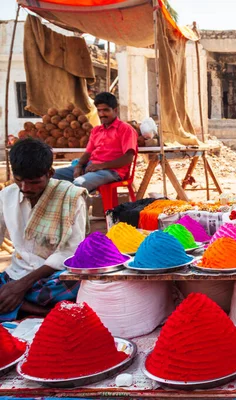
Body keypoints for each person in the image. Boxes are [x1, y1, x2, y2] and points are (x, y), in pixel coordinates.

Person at [0, 139, 87, 321]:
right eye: (19, 180)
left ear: (50, 173)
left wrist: (21, 287)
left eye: (33, 182)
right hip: (16, 272)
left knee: (84, 284)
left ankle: (21, 306)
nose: (25, 188)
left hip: (54, 276)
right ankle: (43, 311)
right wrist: (16, 284)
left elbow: (70, 252)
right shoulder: (5, 196)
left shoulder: (70, 197)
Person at [53, 92, 138, 192]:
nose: (102, 114)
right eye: (99, 110)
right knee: (51, 176)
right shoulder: (96, 130)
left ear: (115, 110)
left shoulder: (125, 129)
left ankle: (78, 207)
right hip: (91, 167)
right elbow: (88, 153)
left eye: (106, 110)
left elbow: (128, 158)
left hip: (112, 171)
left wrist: (101, 166)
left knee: (78, 184)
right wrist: (79, 166)